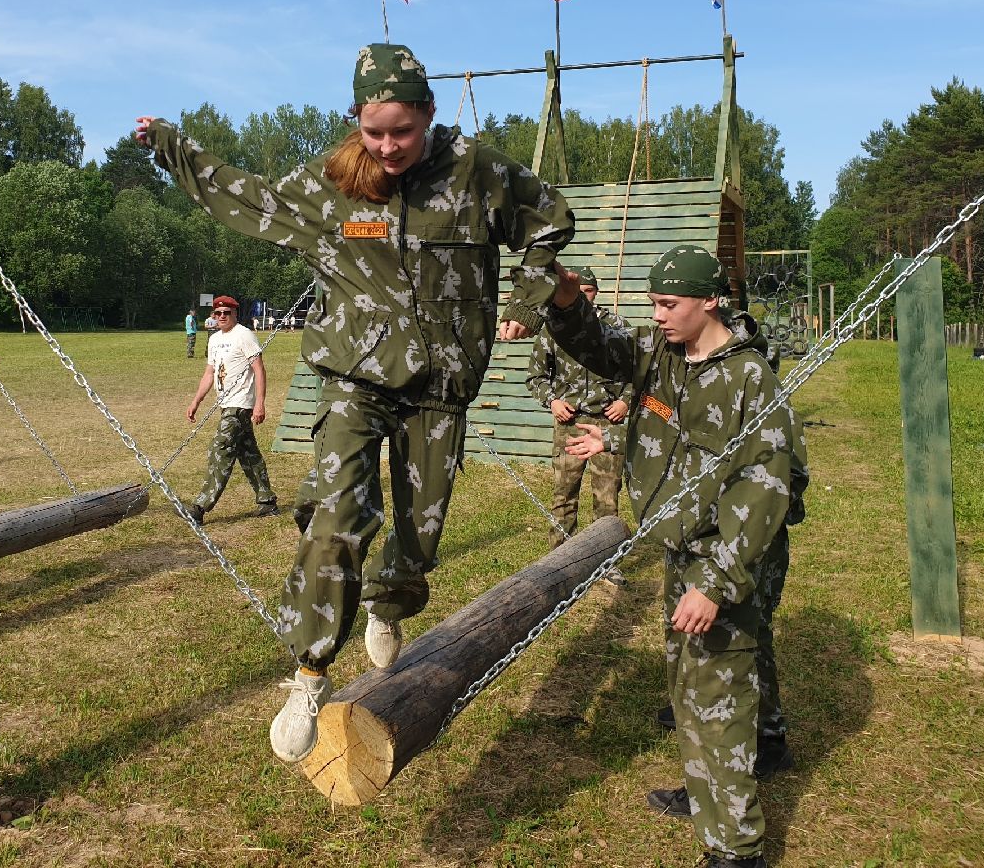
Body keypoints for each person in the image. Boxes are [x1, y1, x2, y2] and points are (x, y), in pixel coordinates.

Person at [136, 41, 574, 765]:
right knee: (340, 511)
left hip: (440, 385)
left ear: (428, 114)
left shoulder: (478, 172)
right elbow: (245, 198)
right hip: (354, 377)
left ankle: (388, 600)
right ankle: (309, 673)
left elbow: (550, 220)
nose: (388, 146)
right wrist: (173, 149)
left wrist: (528, 297)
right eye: (374, 132)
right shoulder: (333, 183)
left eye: (403, 131)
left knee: (419, 536)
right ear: (356, 121)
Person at [547, 245, 806, 868]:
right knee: (692, 684)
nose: (658, 316)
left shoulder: (748, 378)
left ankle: (736, 848)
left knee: (715, 695)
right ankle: (712, 785)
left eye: (669, 304)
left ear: (710, 300)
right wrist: (565, 301)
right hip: (681, 543)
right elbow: (606, 356)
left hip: (727, 552)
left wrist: (715, 581)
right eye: (653, 304)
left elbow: (763, 485)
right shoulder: (662, 354)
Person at [524, 267, 630, 550]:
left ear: (596, 293)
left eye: (588, 291)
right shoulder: (552, 328)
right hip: (569, 423)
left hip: (607, 423)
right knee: (564, 495)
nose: (583, 296)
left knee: (607, 498)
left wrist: (625, 401)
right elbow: (535, 376)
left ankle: (605, 560)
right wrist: (552, 401)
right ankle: (559, 558)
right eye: (579, 291)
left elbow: (638, 371)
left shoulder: (616, 325)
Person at [185, 294, 279, 524]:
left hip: (239, 405)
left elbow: (259, 369)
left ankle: (200, 507)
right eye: (218, 313)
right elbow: (209, 373)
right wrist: (196, 401)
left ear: (235, 313)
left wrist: (259, 403)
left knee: (220, 449)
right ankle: (267, 501)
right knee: (248, 453)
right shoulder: (214, 339)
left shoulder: (244, 335)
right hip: (225, 403)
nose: (222, 316)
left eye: (226, 313)